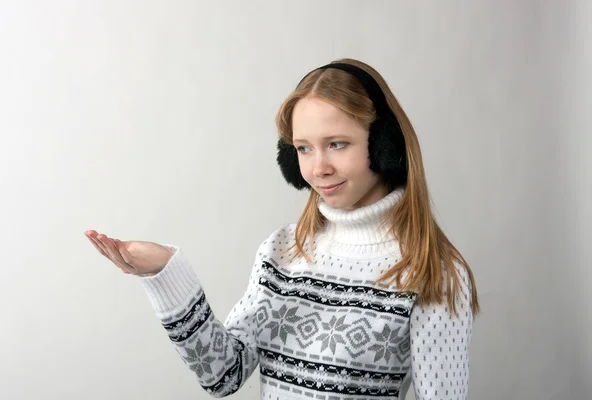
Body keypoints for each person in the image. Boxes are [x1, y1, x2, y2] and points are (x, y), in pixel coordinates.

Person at [85, 58, 479, 400]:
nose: (317, 168)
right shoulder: (282, 250)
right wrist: (165, 272)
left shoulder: (434, 273)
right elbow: (224, 374)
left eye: (337, 144)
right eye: (303, 148)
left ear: (384, 145)